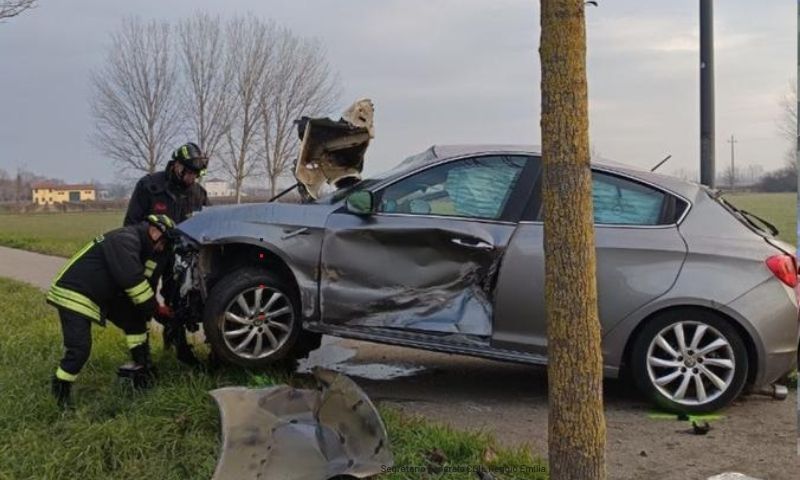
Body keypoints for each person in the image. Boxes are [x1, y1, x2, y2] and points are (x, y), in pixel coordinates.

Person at [47, 215, 177, 407]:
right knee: (80, 349)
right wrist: (157, 310)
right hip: (74, 293)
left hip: (100, 293)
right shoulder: (124, 240)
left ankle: (143, 367)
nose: (162, 248)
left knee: (135, 320)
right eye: (164, 242)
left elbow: (146, 283)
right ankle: (60, 393)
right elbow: (133, 283)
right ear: (155, 231)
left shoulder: (142, 245)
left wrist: (154, 310)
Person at [123, 142, 210, 365]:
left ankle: (177, 346)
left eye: (196, 174)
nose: (191, 178)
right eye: (188, 172)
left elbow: (208, 226)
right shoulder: (149, 186)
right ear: (175, 165)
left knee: (179, 302)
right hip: (150, 255)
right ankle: (140, 354)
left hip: (181, 259)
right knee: (142, 301)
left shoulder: (198, 194)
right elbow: (131, 224)